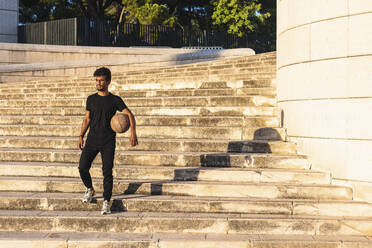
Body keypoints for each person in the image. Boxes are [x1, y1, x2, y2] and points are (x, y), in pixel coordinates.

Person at [78, 67, 138, 215]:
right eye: (97, 80)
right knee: (82, 167)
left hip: (107, 141)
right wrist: (81, 135)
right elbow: (87, 118)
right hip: (92, 139)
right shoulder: (91, 99)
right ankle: (90, 189)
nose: (98, 83)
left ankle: (106, 201)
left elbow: (129, 115)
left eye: (101, 80)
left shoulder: (114, 100)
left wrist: (133, 133)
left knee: (107, 172)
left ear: (108, 82)